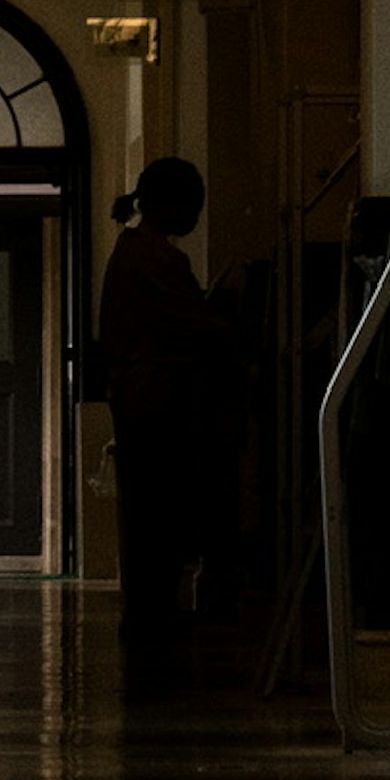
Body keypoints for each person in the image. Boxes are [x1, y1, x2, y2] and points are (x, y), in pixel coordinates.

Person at [98, 157, 231, 666]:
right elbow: (197, 324)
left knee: (146, 515)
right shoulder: (158, 260)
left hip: (135, 397)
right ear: (174, 205)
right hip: (157, 399)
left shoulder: (131, 251)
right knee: (161, 515)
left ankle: (147, 612)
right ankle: (155, 616)